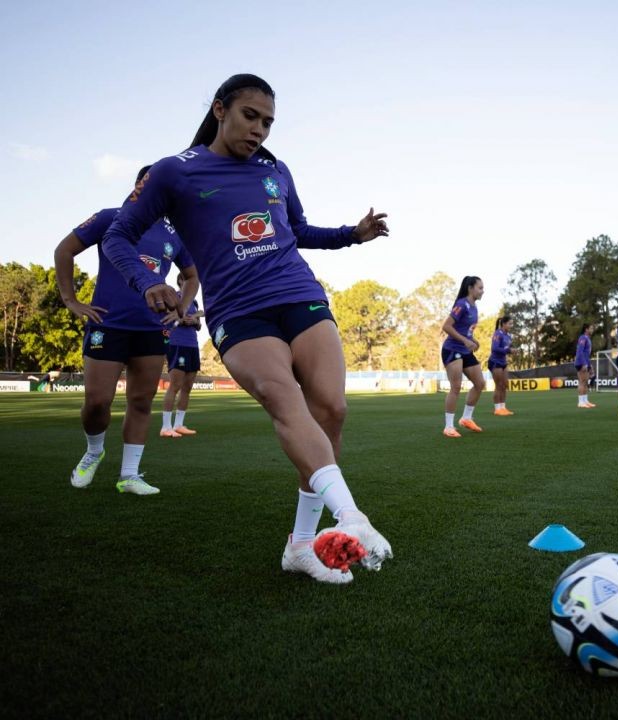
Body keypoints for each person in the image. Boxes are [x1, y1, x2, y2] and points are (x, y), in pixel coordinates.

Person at [102, 74, 392, 584]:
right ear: (220, 110)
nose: (259, 129)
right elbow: (118, 236)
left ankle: (301, 546)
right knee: (287, 401)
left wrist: (354, 234)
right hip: (239, 311)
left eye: (268, 122)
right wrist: (147, 280)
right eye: (250, 116)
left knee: (332, 409)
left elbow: (298, 231)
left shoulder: (276, 170)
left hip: (300, 294)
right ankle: (351, 517)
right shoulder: (176, 172)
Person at [56, 166, 198, 497]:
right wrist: (71, 300)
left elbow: (192, 275)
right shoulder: (111, 219)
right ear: (138, 186)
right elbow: (64, 250)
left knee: (140, 401)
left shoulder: (173, 234)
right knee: (96, 402)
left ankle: (129, 475)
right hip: (107, 323)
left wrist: (181, 307)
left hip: (151, 329)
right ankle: (94, 452)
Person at [441, 276, 486, 436]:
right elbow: (446, 326)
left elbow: (466, 331)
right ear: (470, 288)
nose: (483, 291)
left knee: (480, 383)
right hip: (452, 349)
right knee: (456, 387)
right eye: (480, 287)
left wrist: (473, 340)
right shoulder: (462, 305)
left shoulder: (474, 308)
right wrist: (465, 342)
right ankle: (448, 427)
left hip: (465, 350)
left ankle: (466, 418)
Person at [160, 275, 203, 438]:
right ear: (180, 282)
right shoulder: (173, 298)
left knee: (188, 387)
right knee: (175, 385)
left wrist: (195, 322)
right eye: (187, 281)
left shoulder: (195, 303)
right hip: (177, 344)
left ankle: (179, 425)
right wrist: (184, 320)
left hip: (192, 345)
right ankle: (165, 426)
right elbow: (167, 319)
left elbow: (198, 325)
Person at [489, 316, 514, 416]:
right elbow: (494, 348)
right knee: (498, 385)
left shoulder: (508, 336)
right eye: (510, 323)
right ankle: (497, 409)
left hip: (503, 362)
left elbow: (505, 349)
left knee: (504, 385)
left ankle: (503, 408)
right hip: (495, 362)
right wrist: (508, 350)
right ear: (503, 324)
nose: (511, 326)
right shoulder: (497, 333)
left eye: (512, 324)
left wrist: (512, 351)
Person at [575, 323, 596, 408]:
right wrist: (584, 363)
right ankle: (580, 402)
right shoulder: (583, 338)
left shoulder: (587, 338)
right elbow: (580, 351)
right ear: (586, 329)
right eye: (591, 328)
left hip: (586, 362)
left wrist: (589, 365)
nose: (592, 330)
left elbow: (586, 354)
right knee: (582, 382)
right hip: (580, 363)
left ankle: (585, 401)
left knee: (585, 382)